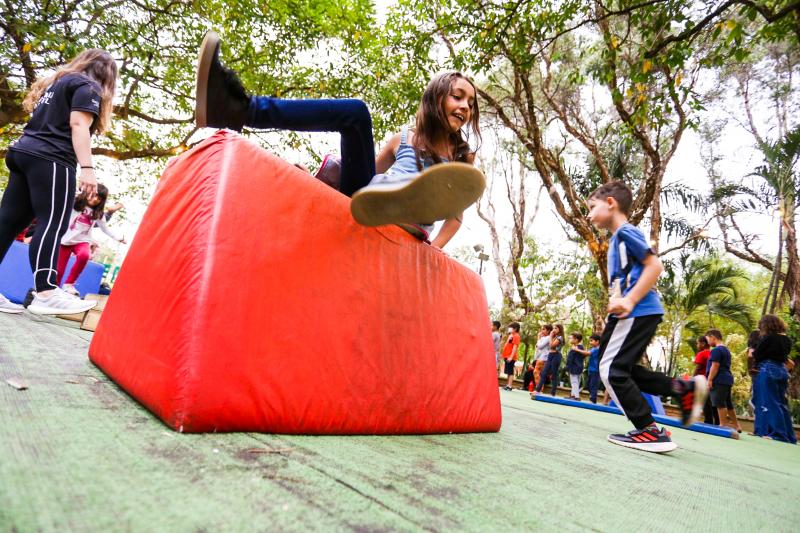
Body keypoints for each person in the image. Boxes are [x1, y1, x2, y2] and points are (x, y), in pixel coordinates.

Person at [194, 31, 484, 245]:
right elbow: (365, 174)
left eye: (470, 104)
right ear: (435, 99)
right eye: (457, 97)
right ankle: (237, 109)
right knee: (356, 113)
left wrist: (434, 250)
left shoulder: (461, 156)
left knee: (416, 196)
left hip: (413, 228)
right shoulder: (403, 139)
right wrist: (316, 187)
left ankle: (408, 213)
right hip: (368, 202)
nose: (464, 107)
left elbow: (455, 217)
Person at [587, 181, 707, 453]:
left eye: (592, 208)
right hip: (633, 314)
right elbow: (625, 280)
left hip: (638, 310)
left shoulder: (626, 232)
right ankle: (684, 388)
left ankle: (648, 430)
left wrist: (629, 300)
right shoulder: (617, 239)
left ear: (610, 203)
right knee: (625, 371)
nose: (589, 215)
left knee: (610, 370)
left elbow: (654, 265)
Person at [0, 49, 117, 315]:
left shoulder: (58, 82)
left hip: (23, 152)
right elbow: (78, 125)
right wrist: (87, 169)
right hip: (51, 159)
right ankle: (46, 290)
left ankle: (45, 289)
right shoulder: (88, 87)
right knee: (52, 222)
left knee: (8, 222)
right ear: (107, 75)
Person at [56, 185, 125, 295]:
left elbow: (105, 228)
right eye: (93, 195)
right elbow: (64, 196)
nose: (95, 199)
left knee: (84, 255)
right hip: (66, 241)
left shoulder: (98, 214)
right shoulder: (76, 204)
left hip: (82, 241)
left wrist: (118, 238)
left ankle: (69, 283)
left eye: (99, 198)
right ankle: (53, 289)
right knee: (59, 270)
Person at [752, 315, 797, 444]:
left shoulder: (769, 338)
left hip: (768, 368)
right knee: (781, 403)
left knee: (769, 402)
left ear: (766, 325)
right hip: (781, 370)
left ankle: (778, 434)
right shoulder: (786, 339)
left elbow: (757, 354)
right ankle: (789, 436)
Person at [706, 329, 742, 433]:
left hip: (719, 379)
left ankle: (723, 424)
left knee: (719, 402)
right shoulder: (726, 350)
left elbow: (715, 365)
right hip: (727, 379)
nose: (708, 342)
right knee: (728, 403)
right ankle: (736, 425)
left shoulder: (716, 350)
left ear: (713, 337)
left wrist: (710, 379)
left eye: (708, 339)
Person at [694, 336, 719, 425]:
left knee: (705, 402)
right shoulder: (713, 353)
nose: (697, 345)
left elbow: (698, 367)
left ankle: (708, 421)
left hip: (702, 380)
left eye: (698, 343)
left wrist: (693, 377)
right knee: (712, 402)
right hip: (712, 380)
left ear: (703, 344)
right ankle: (717, 422)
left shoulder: (702, 354)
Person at [534, 324, 564, 397]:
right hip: (550, 355)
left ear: (560, 330)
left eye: (556, 328)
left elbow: (551, 345)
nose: (554, 330)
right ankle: (538, 390)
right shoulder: (554, 337)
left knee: (554, 374)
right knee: (543, 373)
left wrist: (550, 336)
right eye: (553, 328)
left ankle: (553, 393)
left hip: (556, 356)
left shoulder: (560, 338)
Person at [531, 324, 553, 396]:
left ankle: (539, 389)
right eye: (542, 329)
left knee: (536, 372)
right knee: (539, 373)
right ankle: (539, 389)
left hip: (544, 358)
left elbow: (540, 346)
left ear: (548, 330)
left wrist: (538, 338)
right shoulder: (544, 338)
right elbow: (537, 347)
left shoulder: (548, 338)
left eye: (543, 329)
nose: (541, 331)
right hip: (540, 357)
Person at [566, 332, 589, 400]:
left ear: (576, 339)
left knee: (574, 382)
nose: (570, 339)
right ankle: (573, 395)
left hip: (574, 367)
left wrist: (568, 368)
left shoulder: (576, 348)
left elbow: (570, 359)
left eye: (571, 338)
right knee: (576, 382)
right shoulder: (580, 347)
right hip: (579, 367)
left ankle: (576, 396)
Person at [502, 322, 521, 391]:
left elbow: (515, 347)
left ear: (515, 329)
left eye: (511, 328)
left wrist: (511, 356)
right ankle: (508, 384)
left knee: (510, 371)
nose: (509, 329)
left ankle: (510, 385)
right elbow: (507, 344)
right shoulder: (511, 335)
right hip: (506, 355)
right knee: (508, 371)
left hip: (511, 356)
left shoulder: (516, 336)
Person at [586, 334, 602, 404]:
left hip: (596, 370)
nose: (590, 342)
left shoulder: (597, 349)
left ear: (597, 341)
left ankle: (593, 399)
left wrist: (577, 349)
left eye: (592, 341)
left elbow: (588, 353)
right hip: (591, 369)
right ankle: (593, 397)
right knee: (588, 385)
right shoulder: (593, 348)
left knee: (593, 385)